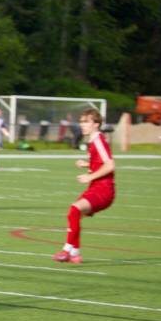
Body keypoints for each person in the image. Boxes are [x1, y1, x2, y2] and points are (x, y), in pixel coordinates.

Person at [53, 109, 115, 264]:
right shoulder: (93, 140)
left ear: (96, 124)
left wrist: (90, 176)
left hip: (103, 190)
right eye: (81, 121)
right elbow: (100, 162)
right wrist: (88, 164)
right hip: (96, 187)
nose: (82, 125)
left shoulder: (99, 140)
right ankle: (75, 254)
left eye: (86, 121)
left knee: (75, 209)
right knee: (73, 214)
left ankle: (67, 250)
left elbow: (110, 165)